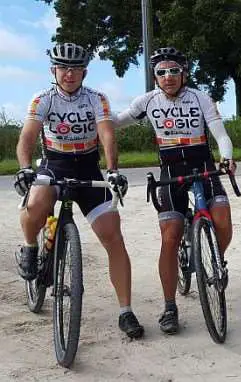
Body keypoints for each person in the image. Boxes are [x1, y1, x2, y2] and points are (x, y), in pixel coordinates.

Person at [14, 42, 143, 339]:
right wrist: (24, 167)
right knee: (35, 205)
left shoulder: (96, 98)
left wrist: (113, 171)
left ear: (84, 72)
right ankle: (31, 248)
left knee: (114, 235)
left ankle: (126, 311)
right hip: (54, 165)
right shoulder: (42, 98)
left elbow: (107, 135)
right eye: (63, 68)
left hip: (87, 167)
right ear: (53, 70)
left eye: (74, 69)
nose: (68, 74)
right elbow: (28, 136)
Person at [115, 47, 237, 335]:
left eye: (173, 71)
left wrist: (227, 156)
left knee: (223, 222)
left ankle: (214, 259)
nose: (167, 77)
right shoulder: (147, 101)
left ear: (184, 72)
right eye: (161, 72)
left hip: (203, 167)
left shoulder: (200, 97)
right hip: (171, 173)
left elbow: (219, 132)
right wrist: (96, 124)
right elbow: (117, 122)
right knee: (170, 238)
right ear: (154, 76)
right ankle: (169, 307)